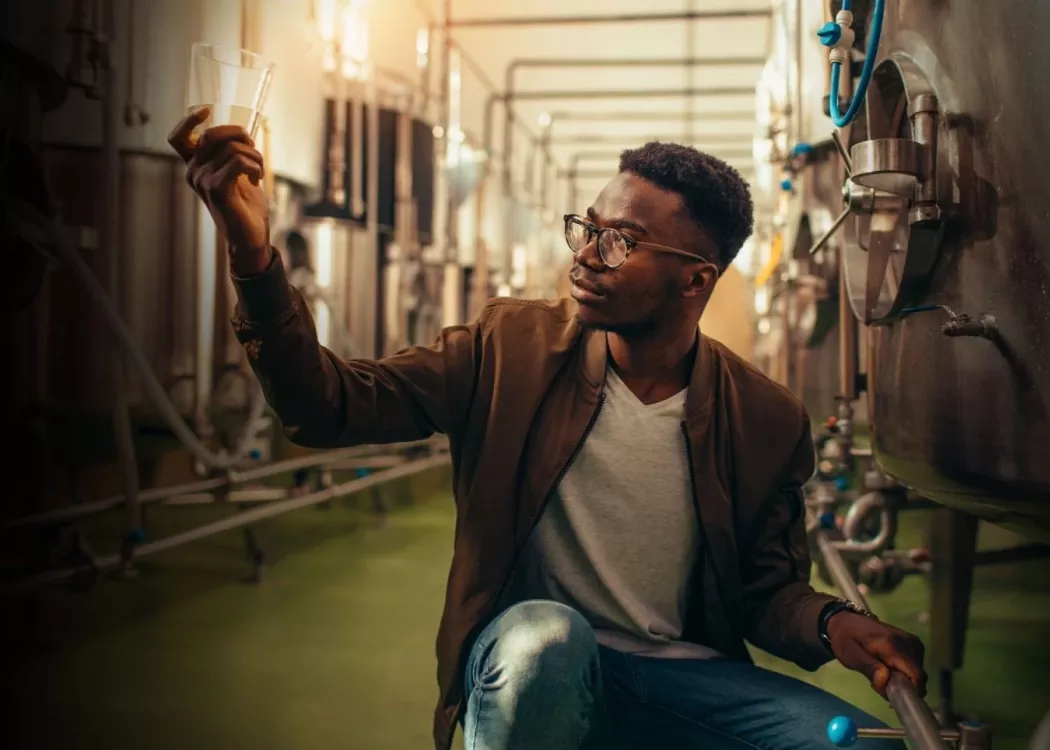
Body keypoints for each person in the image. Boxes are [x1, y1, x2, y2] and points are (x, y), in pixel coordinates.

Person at [169, 107, 926, 750]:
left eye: (620, 241)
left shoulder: (764, 417)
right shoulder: (510, 349)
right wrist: (252, 255)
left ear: (696, 278)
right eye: (588, 228)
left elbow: (766, 592)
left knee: (858, 744)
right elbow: (325, 405)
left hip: (682, 676)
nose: (586, 256)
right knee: (548, 646)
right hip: (530, 663)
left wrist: (833, 624)